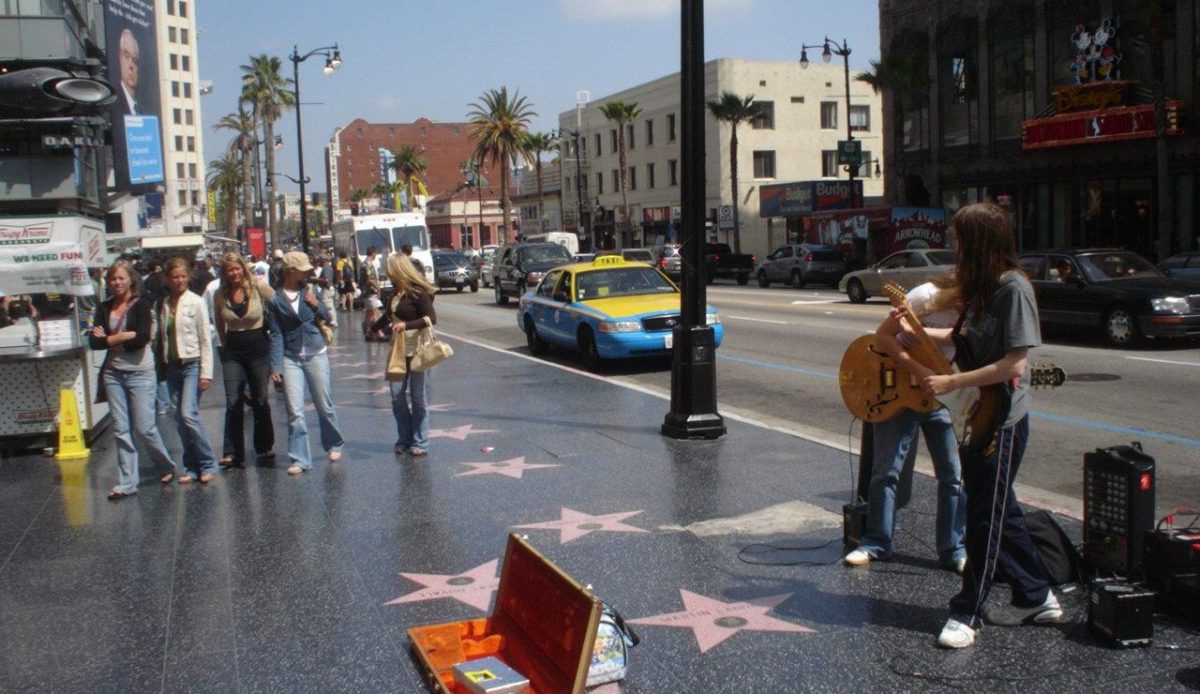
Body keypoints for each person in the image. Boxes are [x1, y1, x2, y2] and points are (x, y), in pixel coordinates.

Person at [879, 203, 1060, 649]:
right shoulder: (981, 286)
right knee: (999, 509)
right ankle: (1036, 595)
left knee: (983, 517)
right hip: (976, 414)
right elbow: (964, 339)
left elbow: (1014, 363)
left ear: (979, 241)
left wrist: (952, 382)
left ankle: (968, 611)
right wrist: (915, 331)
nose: (955, 245)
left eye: (960, 238)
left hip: (1002, 418)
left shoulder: (1013, 288)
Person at [844, 280, 966, 573]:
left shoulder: (983, 304)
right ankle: (876, 542)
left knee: (953, 475)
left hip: (942, 396)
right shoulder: (926, 296)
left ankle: (954, 549)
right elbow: (883, 335)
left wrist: (922, 333)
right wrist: (919, 370)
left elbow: (965, 337)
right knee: (886, 471)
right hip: (901, 392)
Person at [88, 260, 177, 499]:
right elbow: (94, 342)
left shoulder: (141, 304)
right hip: (113, 372)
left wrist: (109, 338)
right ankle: (127, 482)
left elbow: (141, 339)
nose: (117, 283)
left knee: (144, 428)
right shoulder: (104, 307)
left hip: (140, 372)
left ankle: (165, 464)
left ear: (130, 280)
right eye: (113, 279)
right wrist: (122, 336)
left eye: (121, 278)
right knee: (120, 428)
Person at [267, 251, 345, 475]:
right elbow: (275, 334)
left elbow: (327, 317)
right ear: (291, 272)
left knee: (324, 404)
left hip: (315, 352)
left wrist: (316, 304)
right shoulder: (275, 300)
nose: (307, 273)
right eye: (302, 270)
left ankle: (334, 443)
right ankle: (300, 459)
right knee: (295, 411)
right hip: (290, 356)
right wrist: (275, 366)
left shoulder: (310, 291)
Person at [157, 257, 219, 484]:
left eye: (183, 276)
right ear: (167, 278)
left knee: (188, 414)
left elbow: (205, 339)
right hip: (172, 366)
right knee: (179, 419)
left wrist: (206, 373)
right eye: (175, 277)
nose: (180, 280)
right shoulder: (163, 304)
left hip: (192, 364)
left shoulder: (196, 302)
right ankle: (191, 466)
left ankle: (208, 463)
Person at [212, 253, 276, 468]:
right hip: (233, 351)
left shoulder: (258, 287)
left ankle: (264, 445)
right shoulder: (220, 294)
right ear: (224, 273)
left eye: (237, 268)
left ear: (243, 268)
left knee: (260, 399)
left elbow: (278, 303)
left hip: (258, 347)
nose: (234, 273)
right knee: (233, 401)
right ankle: (232, 452)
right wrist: (223, 343)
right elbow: (219, 321)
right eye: (229, 270)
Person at [372, 253, 438, 457]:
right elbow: (389, 316)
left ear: (398, 270)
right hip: (398, 350)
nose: (387, 274)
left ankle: (420, 441)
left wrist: (406, 325)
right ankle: (405, 437)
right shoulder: (394, 293)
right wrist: (374, 327)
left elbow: (431, 318)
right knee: (397, 396)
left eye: (389, 270)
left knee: (418, 397)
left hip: (418, 349)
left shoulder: (417, 292)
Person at [115, 28, 143, 115]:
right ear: (120, 59)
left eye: (135, 60)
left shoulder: (139, 110)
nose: (131, 65)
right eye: (126, 56)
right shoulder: (113, 101)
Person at [360, 247, 383, 339]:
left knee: (369, 313)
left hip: (367, 292)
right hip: (370, 291)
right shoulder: (368, 264)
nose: (376, 255)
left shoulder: (365, 263)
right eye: (375, 253)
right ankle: (379, 333)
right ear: (373, 253)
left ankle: (368, 332)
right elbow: (369, 279)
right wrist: (377, 287)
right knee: (375, 311)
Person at [313, 255, 338, 327]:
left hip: (327, 288)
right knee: (329, 305)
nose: (318, 262)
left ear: (323, 260)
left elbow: (326, 279)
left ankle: (332, 321)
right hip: (328, 288)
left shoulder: (326, 267)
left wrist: (316, 279)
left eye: (320, 260)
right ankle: (332, 320)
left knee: (328, 306)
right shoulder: (327, 267)